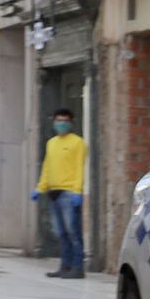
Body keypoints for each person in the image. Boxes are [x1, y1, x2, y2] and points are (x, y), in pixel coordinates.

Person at [33, 108, 88, 279]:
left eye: (65, 121)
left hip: (69, 193)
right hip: (53, 193)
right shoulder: (51, 143)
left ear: (71, 123)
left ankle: (77, 267)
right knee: (61, 233)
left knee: (74, 233)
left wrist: (77, 192)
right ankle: (65, 266)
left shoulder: (78, 143)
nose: (61, 124)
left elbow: (80, 168)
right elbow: (47, 167)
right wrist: (40, 188)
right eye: (58, 120)